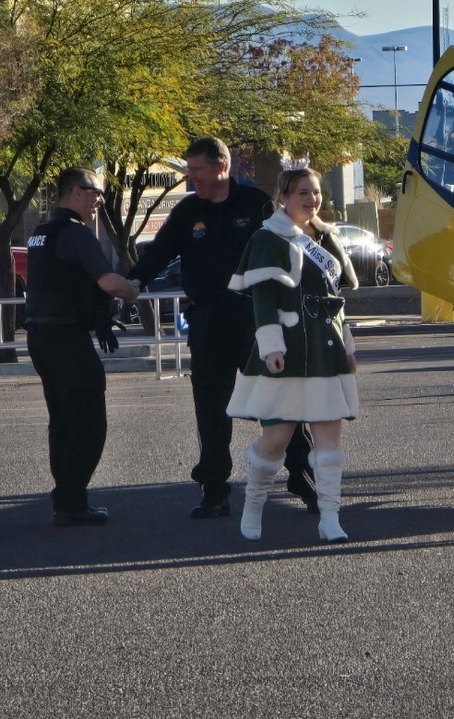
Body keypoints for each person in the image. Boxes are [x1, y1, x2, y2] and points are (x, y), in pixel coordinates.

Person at [129, 137, 314, 518]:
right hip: (209, 320)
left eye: (197, 170)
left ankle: (304, 477)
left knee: (280, 399)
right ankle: (214, 490)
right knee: (211, 407)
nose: (191, 178)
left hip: (257, 318)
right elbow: (158, 254)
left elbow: (291, 247)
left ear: (221, 167)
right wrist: (133, 281)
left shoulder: (256, 204)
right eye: (189, 170)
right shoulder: (187, 212)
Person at [226, 167, 359, 543]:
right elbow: (263, 299)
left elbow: (337, 302)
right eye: (302, 192)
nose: (311, 199)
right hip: (287, 347)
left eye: (315, 192)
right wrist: (271, 346)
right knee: (276, 438)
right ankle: (254, 504)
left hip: (325, 348)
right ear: (283, 197)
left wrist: (348, 347)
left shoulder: (325, 238)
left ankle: (330, 518)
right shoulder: (267, 238)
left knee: (329, 443)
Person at [24, 167, 140, 526]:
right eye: (96, 192)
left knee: (62, 418)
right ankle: (72, 501)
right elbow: (110, 283)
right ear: (76, 191)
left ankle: (66, 498)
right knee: (88, 420)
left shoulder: (41, 233)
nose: (100, 200)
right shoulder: (75, 233)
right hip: (66, 337)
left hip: (40, 336)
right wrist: (132, 290)